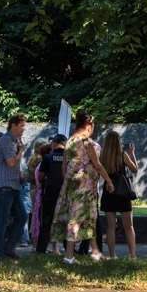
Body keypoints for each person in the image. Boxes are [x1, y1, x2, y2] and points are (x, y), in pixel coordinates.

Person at [52, 110, 114, 264]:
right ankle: (69, 256)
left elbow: (64, 167)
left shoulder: (70, 141)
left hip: (73, 184)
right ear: (89, 125)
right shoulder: (87, 143)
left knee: (88, 218)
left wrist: (68, 182)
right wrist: (108, 181)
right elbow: (97, 165)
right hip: (86, 186)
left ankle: (95, 252)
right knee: (77, 218)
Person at [0, 114, 28, 259]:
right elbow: (11, 162)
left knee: (22, 216)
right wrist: (21, 151)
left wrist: (20, 176)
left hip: (14, 185)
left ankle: (9, 248)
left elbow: (13, 166)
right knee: (2, 220)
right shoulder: (6, 140)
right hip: (4, 186)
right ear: (13, 125)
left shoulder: (15, 141)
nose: (24, 129)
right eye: (22, 126)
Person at [99, 131, 139, 259]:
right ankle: (132, 255)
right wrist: (132, 153)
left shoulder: (102, 156)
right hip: (123, 192)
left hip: (108, 191)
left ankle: (112, 255)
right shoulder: (123, 155)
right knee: (129, 226)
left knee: (110, 226)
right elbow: (135, 170)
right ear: (118, 142)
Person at [36, 134, 67, 254]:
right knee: (66, 219)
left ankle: (41, 249)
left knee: (46, 220)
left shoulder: (48, 157)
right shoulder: (69, 157)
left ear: (54, 143)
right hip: (65, 192)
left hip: (50, 192)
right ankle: (69, 248)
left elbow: (41, 176)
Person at [31, 143, 52, 246]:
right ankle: (38, 244)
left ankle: (37, 244)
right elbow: (40, 179)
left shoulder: (40, 163)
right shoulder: (44, 164)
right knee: (40, 220)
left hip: (39, 192)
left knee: (37, 219)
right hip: (42, 193)